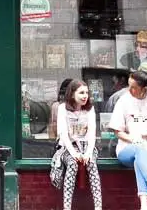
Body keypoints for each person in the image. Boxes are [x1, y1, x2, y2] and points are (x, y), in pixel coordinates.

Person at [108, 63, 147, 210]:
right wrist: (133, 139)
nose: (129, 90)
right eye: (129, 85)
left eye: (133, 87)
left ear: (145, 89)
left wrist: (141, 135)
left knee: (140, 160)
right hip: (126, 149)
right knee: (138, 151)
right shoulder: (123, 100)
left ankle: (144, 205)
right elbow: (118, 131)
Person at [57, 80, 102, 210]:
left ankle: (98, 207)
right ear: (72, 94)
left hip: (87, 145)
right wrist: (74, 153)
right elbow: (64, 135)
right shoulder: (62, 109)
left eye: (87, 93)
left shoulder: (90, 109)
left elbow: (92, 133)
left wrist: (88, 152)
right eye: (81, 93)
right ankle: (67, 207)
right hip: (68, 146)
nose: (85, 96)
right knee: (72, 164)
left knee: (92, 163)